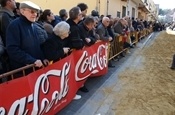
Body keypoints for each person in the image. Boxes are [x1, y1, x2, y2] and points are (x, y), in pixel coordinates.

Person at [6, 1, 48, 71]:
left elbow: (36, 46)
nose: (35, 14)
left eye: (36, 12)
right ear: (22, 11)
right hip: (22, 70)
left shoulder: (34, 25)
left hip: (35, 67)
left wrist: (42, 58)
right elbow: (12, 49)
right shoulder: (14, 26)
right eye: (32, 11)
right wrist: (31, 60)